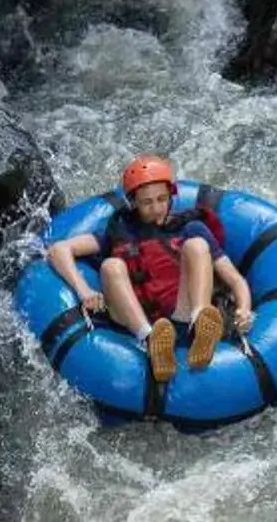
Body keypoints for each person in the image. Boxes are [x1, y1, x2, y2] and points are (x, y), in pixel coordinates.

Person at [45, 155, 257, 385]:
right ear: (133, 202)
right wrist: (84, 290)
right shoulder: (118, 232)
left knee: (197, 245)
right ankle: (150, 340)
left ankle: (200, 325)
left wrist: (244, 310)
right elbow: (58, 250)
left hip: (181, 312)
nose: (156, 208)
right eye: (147, 202)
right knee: (111, 265)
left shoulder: (190, 227)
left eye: (162, 199)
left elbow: (235, 280)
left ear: (171, 196)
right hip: (136, 317)